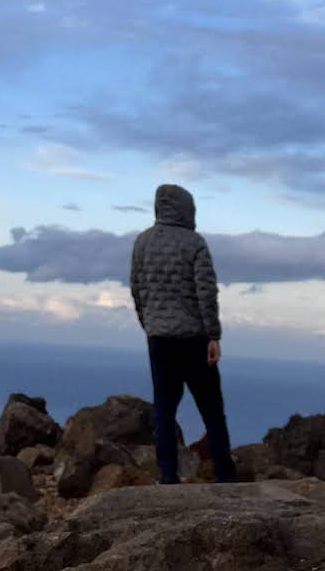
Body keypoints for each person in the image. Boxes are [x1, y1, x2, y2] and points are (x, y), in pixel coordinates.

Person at [130, 183, 236, 484]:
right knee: (212, 411)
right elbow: (206, 293)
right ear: (187, 208)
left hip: (159, 339)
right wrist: (213, 335)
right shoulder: (195, 243)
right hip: (194, 340)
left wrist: (149, 324)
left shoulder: (142, 242)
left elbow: (137, 290)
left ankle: (167, 476)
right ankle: (225, 476)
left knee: (164, 410)